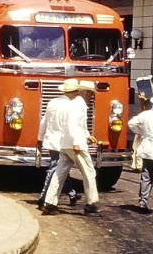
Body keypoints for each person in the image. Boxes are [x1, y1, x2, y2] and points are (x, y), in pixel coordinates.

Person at [42, 79, 99, 216]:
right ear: (84, 92)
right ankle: (91, 203)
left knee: (59, 173)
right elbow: (73, 124)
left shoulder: (72, 104)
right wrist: (77, 142)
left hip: (64, 144)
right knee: (89, 172)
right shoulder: (79, 105)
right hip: (75, 144)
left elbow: (77, 125)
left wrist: (86, 135)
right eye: (91, 93)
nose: (92, 97)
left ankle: (50, 203)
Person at [36, 80, 83, 211]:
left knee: (60, 169)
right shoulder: (71, 106)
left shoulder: (52, 102)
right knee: (55, 170)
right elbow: (72, 126)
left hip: (51, 140)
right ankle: (44, 198)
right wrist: (77, 142)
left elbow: (44, 121)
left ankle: (72, 193)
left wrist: (39, 138)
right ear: (74, 92)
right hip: (64, 142)